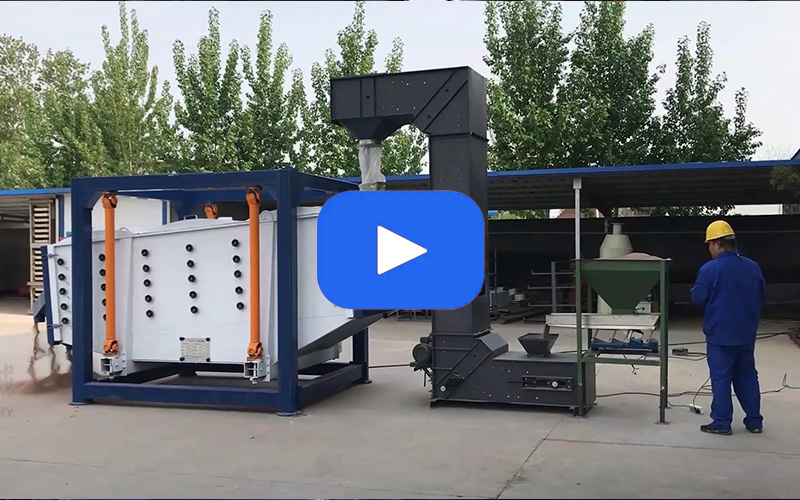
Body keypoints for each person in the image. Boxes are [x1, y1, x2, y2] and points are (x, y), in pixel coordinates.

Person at [690, 220, 765, 435]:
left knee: (721, 378)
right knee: (747, 375)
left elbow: (697, 297)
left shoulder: (710, 269)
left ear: (717, 244)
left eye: (710, 245)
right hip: (746, 333)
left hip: (720, 333)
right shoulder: (752, 267)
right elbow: (761, 294)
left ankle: (722, 422)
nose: (709, 249)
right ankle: (754, 421)